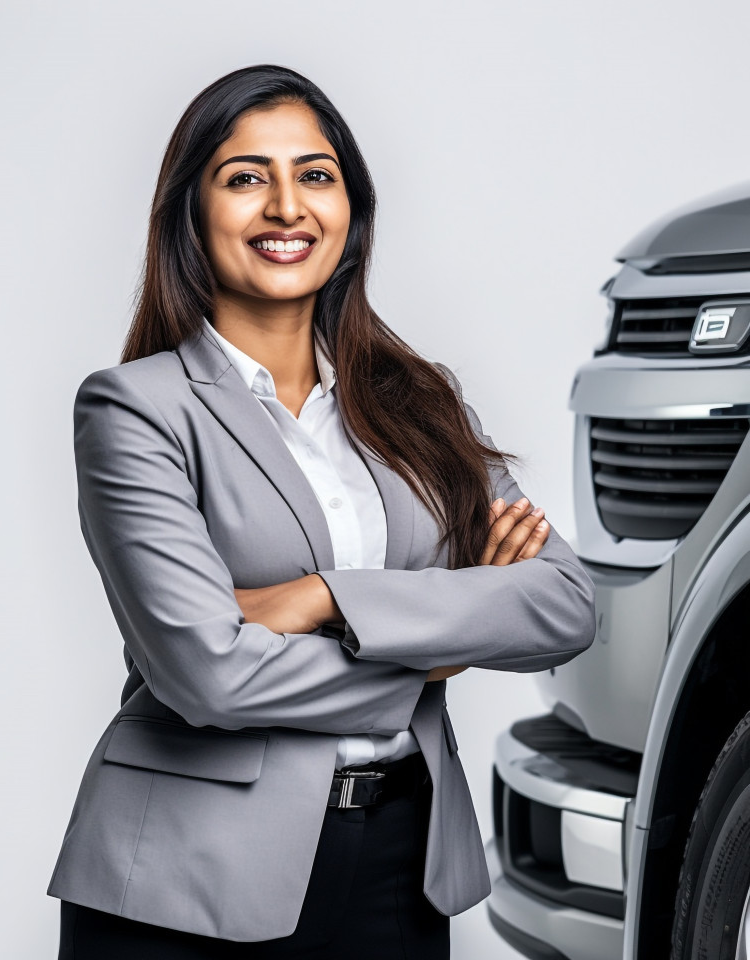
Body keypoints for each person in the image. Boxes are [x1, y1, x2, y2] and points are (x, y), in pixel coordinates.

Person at [47, 64, 596, 959]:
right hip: (188, 881)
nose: (285, 206)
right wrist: (442, 643)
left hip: (400, 867)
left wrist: (320, 599)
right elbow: (208, 677)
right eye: (244, 178)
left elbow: (564, 605)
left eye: (314, 174)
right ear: (192, 212)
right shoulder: (135, 409)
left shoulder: (418, 401)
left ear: (351, 210)